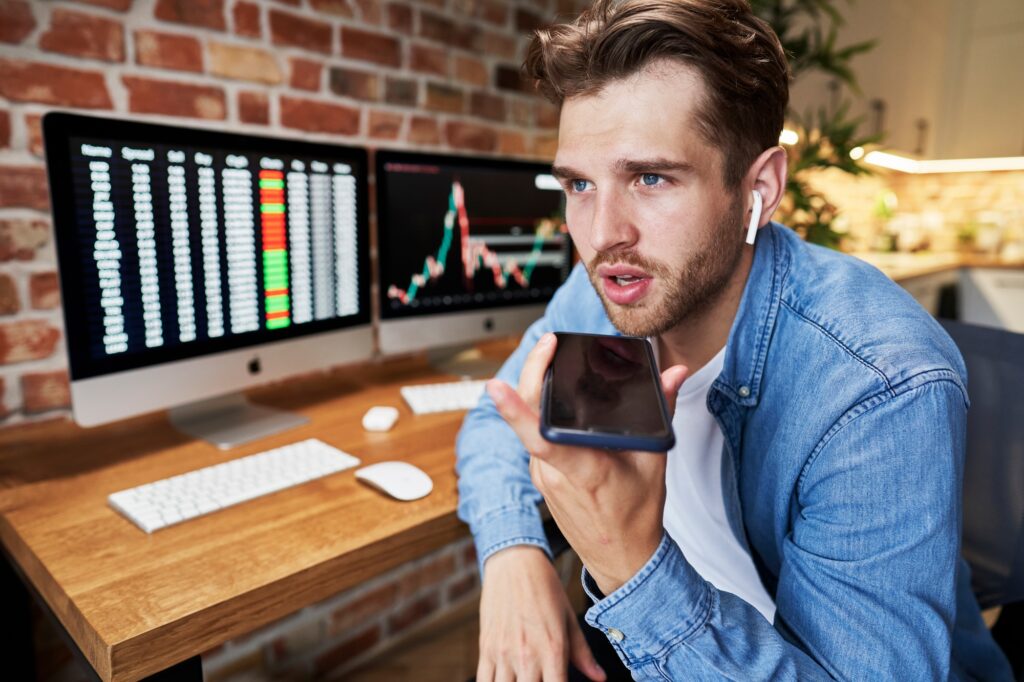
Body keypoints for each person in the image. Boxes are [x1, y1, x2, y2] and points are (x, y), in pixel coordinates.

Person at [455, 0, 1012, 679]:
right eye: (579, 184)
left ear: (759, 188)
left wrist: (629, 564)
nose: (602, 236)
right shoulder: (609, 292)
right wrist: (515, 553)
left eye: (651, 178)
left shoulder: (876, 385)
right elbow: (496, 414)